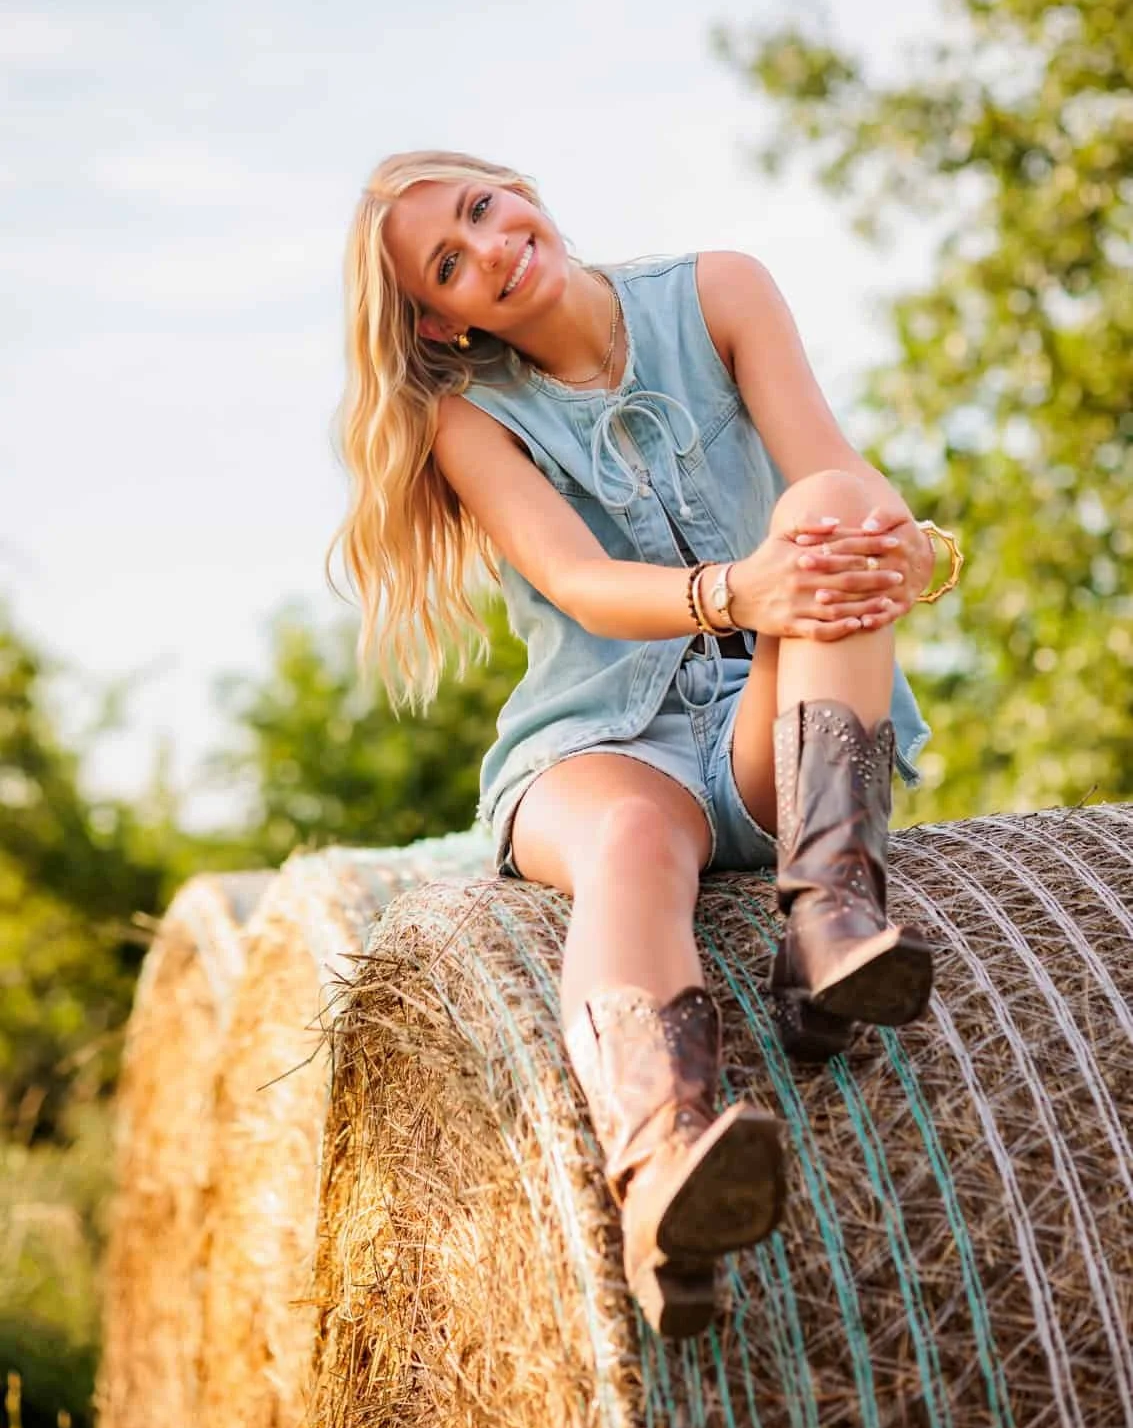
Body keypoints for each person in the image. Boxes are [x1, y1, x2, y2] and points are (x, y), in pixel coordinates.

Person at [332, 150, 960, 1340]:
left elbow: (831, 463)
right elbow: (581, 580)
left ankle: (830, 917)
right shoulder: (469, 419)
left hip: (769, 725)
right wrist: (742, 585)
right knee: (628, 835)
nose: (494, 246)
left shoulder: (718, 291)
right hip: (600, 743)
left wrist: (896, 545)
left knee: (825, 507)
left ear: (515, 184)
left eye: (482, 208)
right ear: (437, 317)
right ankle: (660, 1159)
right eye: (452, 262)